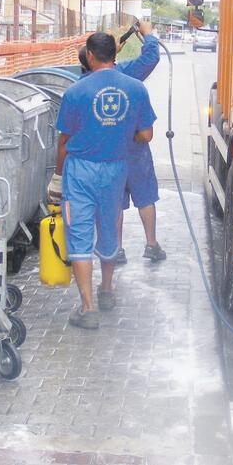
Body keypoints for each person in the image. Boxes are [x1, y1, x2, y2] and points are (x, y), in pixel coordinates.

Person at [48, 32, 156, 329]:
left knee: (79, 234)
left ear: (90, 56)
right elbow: (146, 134)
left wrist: (57, 177)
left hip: (80, 173)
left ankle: (88, 309)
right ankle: (106, 290)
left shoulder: (75, 92)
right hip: (115, 169)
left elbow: (64, 140)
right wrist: (120, 135)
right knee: (109, 229)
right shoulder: (136, 89)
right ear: (115, 55)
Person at [77, 21, 166, 264]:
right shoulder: (128, 75)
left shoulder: (82, 84)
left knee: (113, 202)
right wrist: (148, 35)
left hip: (107, 153)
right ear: (112, 54)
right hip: (135, 150)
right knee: (145, 197)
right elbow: (150, 58)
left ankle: (116, 250)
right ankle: (152, 244)